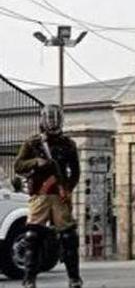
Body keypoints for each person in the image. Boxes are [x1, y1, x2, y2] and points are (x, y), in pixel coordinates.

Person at [14, 104, 82, 288]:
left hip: (59, 195)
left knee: (69, 236)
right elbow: (18, 166)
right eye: (49, 118)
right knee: (32, 235)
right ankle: (29, 278)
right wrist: (36, 162)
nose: (52, 122)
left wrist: (67, 188)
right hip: (40, 194)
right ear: (43, 120)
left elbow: (75, 171)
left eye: (55, 118)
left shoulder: (68, 144)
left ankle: (74, 278)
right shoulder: (33, 143)